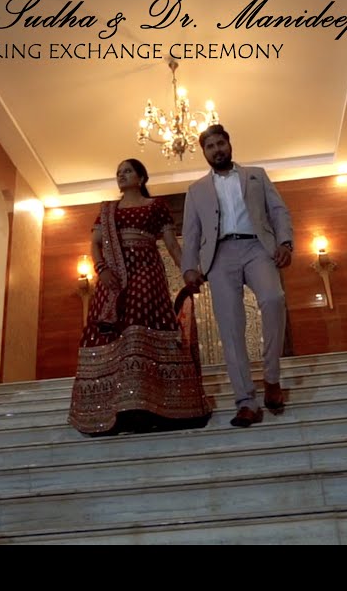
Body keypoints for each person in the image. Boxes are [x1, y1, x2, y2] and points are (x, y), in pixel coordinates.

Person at [67, 158, 213, 436]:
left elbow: (171, 244)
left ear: (141, 177)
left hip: (147, 273)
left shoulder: (156, 206)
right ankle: (117, 408)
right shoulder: (108, 211)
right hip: (113, 282)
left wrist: (188, 273)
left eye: (127, 171)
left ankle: (155, 404)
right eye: (118, 172)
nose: (121, 176)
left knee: (141, 328)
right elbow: (95, 244)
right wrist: (101, 269)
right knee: (115, 334)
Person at [181, 124, 294, 427]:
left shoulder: (256, 175)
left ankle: (271, 379)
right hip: (219, 256)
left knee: (273, 299)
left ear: (229, 144)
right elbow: (190, 233)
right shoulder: (196, 191)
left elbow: (279, 211)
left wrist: (284, 242)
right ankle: (246, 401)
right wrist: (189, 267)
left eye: (221, 143)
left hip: (257, 247)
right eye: (210, 146)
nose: (216, 149)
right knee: (231, 327)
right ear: (204, 152)